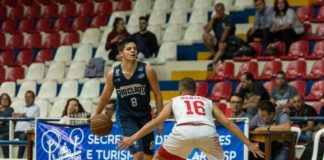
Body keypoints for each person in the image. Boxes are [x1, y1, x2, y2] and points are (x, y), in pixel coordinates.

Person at [117, 77, 265, 160]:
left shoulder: (175, 100)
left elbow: (156, 121)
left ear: (180, 90)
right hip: (207, 131)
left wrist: (132, 138)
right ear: (195, 90)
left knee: (159, 159)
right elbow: (227, 122)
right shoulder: (207, 101)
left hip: (183, 131)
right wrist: (248, 144)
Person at [94, 39, 164, 160]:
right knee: (138, 154)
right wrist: (96, 114)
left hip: (145, 116)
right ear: (121, 54)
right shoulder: (113, 73)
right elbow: (105, 96)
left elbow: (158, 94)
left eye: (135, 49)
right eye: (129, 49)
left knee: (148, 156)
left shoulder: (147, 70)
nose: (133, 51)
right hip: (126, 117)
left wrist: (160, 120)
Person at [0, 90, 40, 158]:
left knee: (23, 136)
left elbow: (28, 117)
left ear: (34, 98)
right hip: (16, 131)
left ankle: (19, 157)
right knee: (3, 137)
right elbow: (13, 115)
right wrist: (22, 115)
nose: (28, 99)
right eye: (26, 97)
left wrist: (20, 115)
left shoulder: (36, 108)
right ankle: (7, 157)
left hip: (29, 132)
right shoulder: (22, 107)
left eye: (30, 97)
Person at [203, 2, 236, 67]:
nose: (219, 12)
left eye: (221, 10)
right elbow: (207, 30)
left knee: (222, 43)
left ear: (224, 10)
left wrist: (222, 40)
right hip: (218, 40)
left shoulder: (229, 18)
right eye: (217, 11)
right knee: (205, 36)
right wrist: (212, 19)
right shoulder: (215, 19)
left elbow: (226, 32)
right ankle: (216, 55)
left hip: (228, 40)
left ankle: (213, 63)